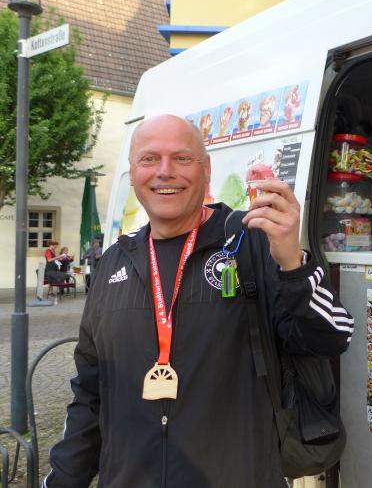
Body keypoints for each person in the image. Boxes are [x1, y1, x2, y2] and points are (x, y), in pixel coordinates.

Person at [45, 114, 354, 487]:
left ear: (206, 170)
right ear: (133, 172)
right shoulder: (114, 262)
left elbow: (331, 337)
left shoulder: (252, 243)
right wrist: (62, 480)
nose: (164, 171)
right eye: (149, 159)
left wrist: (292, 264)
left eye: (181, 158)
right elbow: (90, 392)